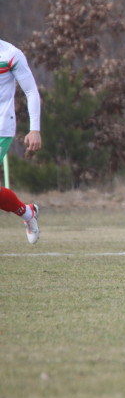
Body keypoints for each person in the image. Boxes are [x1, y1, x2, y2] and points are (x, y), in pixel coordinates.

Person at [0, 38, 42, 244]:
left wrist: (35, 129)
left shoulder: (11, 54)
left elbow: (31, 91)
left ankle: (27, 212)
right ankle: (27, 212)